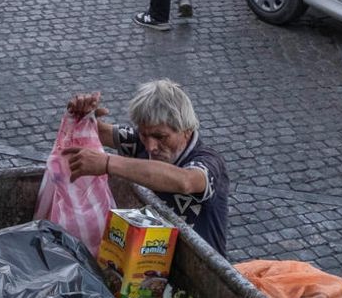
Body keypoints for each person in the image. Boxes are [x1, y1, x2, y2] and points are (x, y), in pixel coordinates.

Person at [63, 80, 230, 256]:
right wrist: (81, 116)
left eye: (161, 137)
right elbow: (100, 132)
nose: (151, 147)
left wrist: (107, 163)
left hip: (201, 271)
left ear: (186, 130)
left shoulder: (209, 162)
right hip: (149, 258)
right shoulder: (139, 141)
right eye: (144, 134)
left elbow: (185, 181)